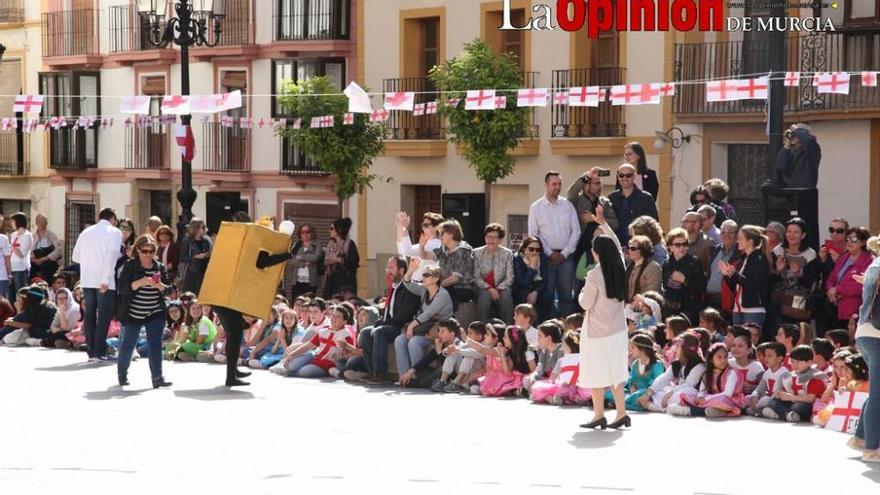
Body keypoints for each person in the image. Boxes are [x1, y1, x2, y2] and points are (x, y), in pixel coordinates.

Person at [577, 205, 630, 430]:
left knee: (596, 371)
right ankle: (621, 412)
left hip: (597, 331)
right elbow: (617, 245)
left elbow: (585, 303)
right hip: (618, 329)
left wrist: (580, 293)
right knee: (617, 371)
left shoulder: (594, 274)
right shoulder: (620, 266)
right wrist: (603, 224)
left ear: (596, 253)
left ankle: (599, 414)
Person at [115, 234, 172, 388]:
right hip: (133, 312)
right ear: (138, 250)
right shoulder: (130, 266)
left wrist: (162, 287)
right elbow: (122, 288)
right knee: (128, 344)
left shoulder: (159, 267)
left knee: (155, 343)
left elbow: (170, 289)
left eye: (151, 251)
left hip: (155, 311)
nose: (148, 255)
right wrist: (140, 282)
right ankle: (122, 373)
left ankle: (157, 377)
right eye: (145, 251)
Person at [358, 256, 421, 384]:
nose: (388, 271)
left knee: (379, 331)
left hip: (402, 326)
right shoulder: (391, 288)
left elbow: (404, 315)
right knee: (365, 332)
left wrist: (384, 323)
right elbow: (388, 312)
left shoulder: (409, 289)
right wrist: (381, 320)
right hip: (389, 324)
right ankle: (372, 372)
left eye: (391, 268)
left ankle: (381, 374)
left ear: (402, 270)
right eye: (387, 267)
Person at [71, 207, 122, 362]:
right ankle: (99, 351)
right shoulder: (114, 232)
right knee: (104, 316)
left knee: (90, 314)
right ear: (112, 218)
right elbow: (112, 255)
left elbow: (75, 256)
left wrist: (90, 261)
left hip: (87, 279)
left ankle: (91, 350)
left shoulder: (86, 232)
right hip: (104, 279)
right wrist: (105, 279)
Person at [528, 171, 580, 317]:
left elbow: (575, 231)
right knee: (547, 295)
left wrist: (564, 254)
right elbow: (534, 234)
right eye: (553, 184)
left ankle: (565, 326)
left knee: (566, 296)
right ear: (546, 185)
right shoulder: (536, 207)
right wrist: (550, 253)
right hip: (546, 258)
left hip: (566, 257)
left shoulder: (567, 206)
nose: (557, 187)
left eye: (559, 184)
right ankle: (548, 328)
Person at [394, 261, 454, 381]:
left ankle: (418, 376)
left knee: (414, 342)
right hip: (425, 328)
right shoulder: (423, 290)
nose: (423, 277)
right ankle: (404, 377)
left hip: (438, 332)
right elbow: (407, 284)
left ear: (436, 278)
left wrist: (411, 326)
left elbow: (428, 313)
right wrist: (410, 270)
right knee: (400, 340)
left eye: (426, 275)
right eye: (423, 275)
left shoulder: (442, 294)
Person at [851, 235, 880, 462]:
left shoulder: (874, 264)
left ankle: (861, 437)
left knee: (876, 391)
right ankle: (873, 448)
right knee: (878, 394)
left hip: (865, 333)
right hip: (877, 335)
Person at [566, 166, 619, 272]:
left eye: (600, 183)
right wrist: (587, 176)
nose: (600, 187)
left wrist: (596, 219)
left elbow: (615, 224)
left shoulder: (604, 202)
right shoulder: (577, 201)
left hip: (600, 251)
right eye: (596, 184)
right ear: (586, 186)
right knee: (579, 284)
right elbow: (571, 192)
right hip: (580, 249)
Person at [720, 225, 770, 329]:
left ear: (750, 242)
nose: (738, 241)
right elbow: (735, 287)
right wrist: (727, 275)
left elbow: (756, 285)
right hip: (737, 308)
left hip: (753, 309)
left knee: (748, 341)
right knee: (737, 340)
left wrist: (735, 275)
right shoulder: (743, 259)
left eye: (740, 238)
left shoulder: (760, 259)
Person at [771, 218, 819, 324]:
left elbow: (811, 281)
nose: (791, 235)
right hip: (779, 301)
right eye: (789, 231)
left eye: (796, 232)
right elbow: (769, 279)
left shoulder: (810, 254)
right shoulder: (777, 251)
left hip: (799, 303)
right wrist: (778, 270)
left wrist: (798, 273)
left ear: (803, 235)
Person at [762, 344, 827, 423]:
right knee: (773, 401)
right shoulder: (792, 375)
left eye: (799, 362)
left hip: (810, 405)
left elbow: (810, 399)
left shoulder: (815, 376)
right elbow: (787, 394)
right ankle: (788, 415)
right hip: (794, 402)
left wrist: (791, 397)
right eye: (792, 361)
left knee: (799, 407)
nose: (795, 365)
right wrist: (781, 395)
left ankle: (784, 414)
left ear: (809, 362)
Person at [825, 227, 874, 329]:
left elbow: (861, 284)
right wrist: (830, 290)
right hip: (836, 306)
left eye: (854, 239)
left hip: (854, 309)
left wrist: (837, 290)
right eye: (847, 239)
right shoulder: (843, 257)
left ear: (863, 242)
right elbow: (832, 277)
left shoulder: (869, 260)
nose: (849, 242)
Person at [662, 228, 706, 324]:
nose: (682, 247)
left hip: (689, 309)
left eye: (685, 244)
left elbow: (701, 288)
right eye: (678, 245)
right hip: (670, 308)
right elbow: (665, 286)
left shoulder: (695, 262)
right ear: (670, 247)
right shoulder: (666, 264)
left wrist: (684, 280)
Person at [473, 223, 514, 324]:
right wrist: (490, 289)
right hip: (482, 287)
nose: (491, 240)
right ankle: (481, 327)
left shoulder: (507, 253)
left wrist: (498, 288)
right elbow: (476, 277)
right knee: (485, 296)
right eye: (488, 236)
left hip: (501, 286)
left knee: (506, 295)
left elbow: (510, 277)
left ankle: (507, 327)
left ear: (500, 239)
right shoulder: (476, 253)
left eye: (495, 237)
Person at [609, 164, 658, 247]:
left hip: (639, 247)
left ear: (634, 176)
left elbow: (653, 224)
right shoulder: (612, 197)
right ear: (618, 177)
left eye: (628, 175)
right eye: (621, 175)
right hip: (617, 246)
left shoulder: (646, 198)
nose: (624, 178)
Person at [512, 235, 550, 322]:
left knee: (546, 296)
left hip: (537, 287)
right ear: (524, 249)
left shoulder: (543, 259)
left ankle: (543, 324)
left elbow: (544, 280)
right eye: (531, 249)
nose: (534, 252)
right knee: (524, 295)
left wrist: (535, 292)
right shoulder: (518, 259)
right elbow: (523, 283)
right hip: (522, 288)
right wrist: (532, 268)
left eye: (538, 250)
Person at [396, 212, 443, 282]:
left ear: (437, 228)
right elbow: (402, 251)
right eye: (423, 225)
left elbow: (407, 251)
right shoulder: (427, 244)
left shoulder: (436, 245)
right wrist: (400, 227)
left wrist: (403, 227)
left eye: (426, 225)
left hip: (425, 286)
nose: (423, 228)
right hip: (417, 285)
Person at [774, 124, 821, 189]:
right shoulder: (794, 154)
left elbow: (809, 140)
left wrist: (796, 129)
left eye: (795, 135)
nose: (793, 137)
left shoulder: (812, 149)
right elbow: (781, 165)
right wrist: (787, 145)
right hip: (793, 192)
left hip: (805, 192)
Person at [322, 217, 359, 298]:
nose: (329, 231)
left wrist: (339, 260)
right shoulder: (330, 245)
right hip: (331, 281)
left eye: (332, 228)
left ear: (339, 230)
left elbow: (354, 261)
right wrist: (327, 262)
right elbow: (323, 263)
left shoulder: (349, 244)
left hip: (344, 282)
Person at [284, 223, 322, 299]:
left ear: (312, 233)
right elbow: (289, 259)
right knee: (295, 302)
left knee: (309, 303)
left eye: (307, 231)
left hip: (311, 281)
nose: (305, 234)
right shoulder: (297, 244)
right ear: (300, 233)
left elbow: (316, 257)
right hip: (297, 280)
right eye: (302, 232)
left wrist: (300, 257)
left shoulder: (317, 244)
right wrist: (303, 264)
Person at [624, 235, 662, 302]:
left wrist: (639, 302)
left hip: (644, 307)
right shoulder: (630, 267)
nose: (629, 251)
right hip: (628, 306)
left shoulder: (653, 267)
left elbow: (652, 293)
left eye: (633, 248)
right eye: (629, 248)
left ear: (642, 250)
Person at [179, 218, 211, 295]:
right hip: (191, 273)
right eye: (202, 227)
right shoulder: (187, 241)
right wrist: (195, 257)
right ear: (196, 228)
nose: (205, 229)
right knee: (191, 296)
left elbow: (207, 257)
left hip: (203, 272)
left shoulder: (205, 242)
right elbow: (182, 258)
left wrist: (207, 255)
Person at [30, 214, 62, 284]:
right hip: (35, 259)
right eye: (39, 221)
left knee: (47, 266)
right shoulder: (32, 236)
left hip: (48, 260)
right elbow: (29, 249)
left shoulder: (52, 235)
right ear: (36, 223)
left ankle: (49, 286)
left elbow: (58, 250)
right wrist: (34, 259)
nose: (41, 223)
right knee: (30, 267)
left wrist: (44, 258)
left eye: (43, 221)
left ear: (46, 223)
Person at [682, 211, 715, 276]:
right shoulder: (679, 241)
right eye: (683, 222)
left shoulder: (708, 243)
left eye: (686, 221)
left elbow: (710, 269)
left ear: (697, 224)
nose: (682, 225)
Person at [9, 212, 33, 297]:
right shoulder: (13, 235)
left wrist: (11, 245)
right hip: (11, 267)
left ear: (18, 222)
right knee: (10, 293)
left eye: (13, 221)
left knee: (20, 292)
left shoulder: (27, 236)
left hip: (21, 268)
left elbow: (21, 254)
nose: (11, 224)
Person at [0, 228, 11, 299]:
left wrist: (9, 274)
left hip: (2, 276)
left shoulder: (3, 238)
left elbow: (7, 258)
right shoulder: (4, 238)